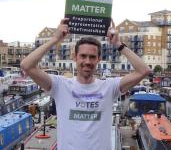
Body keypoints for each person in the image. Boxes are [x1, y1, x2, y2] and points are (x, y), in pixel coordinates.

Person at [21, 18, 151, 150]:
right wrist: (54, 39)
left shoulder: (109, 87)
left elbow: (144, 70)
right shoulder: (60, 85)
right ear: (74, 57)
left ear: (99, 59)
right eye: (83, 56)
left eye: (92, 57)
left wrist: (118, 44)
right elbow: (26, 65)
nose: (87, 61)